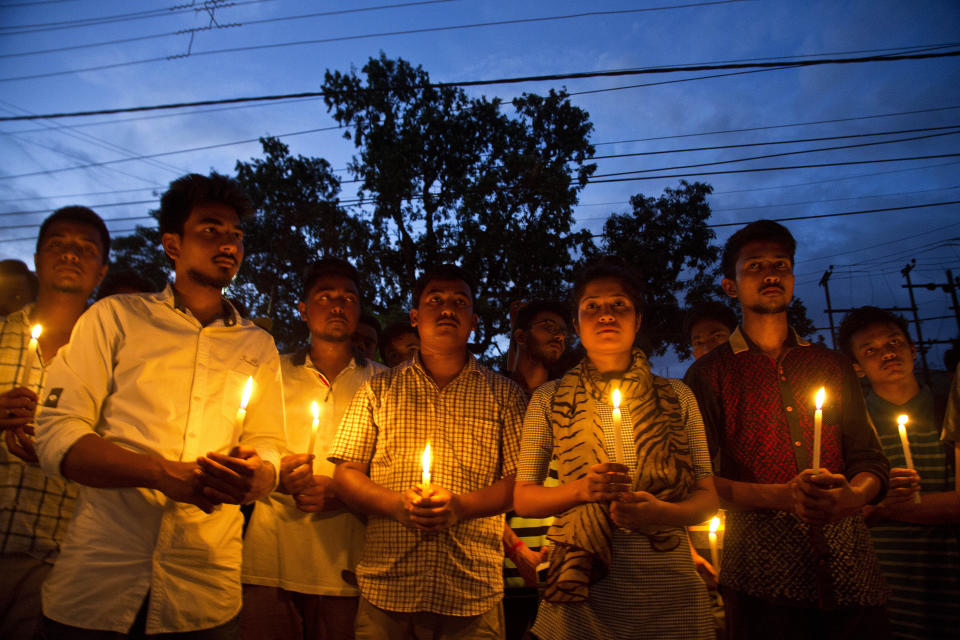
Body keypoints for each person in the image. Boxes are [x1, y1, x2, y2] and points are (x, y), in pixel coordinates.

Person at [33, 173, 285, 637]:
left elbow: (269, 443)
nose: (228, 243)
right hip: (97, 583)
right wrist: (159, 474)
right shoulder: (115, 318)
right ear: (172, 244)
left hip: (204, 588)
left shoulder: (259, 346)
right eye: (210, 230)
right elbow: (57, 435)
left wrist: (259, 475)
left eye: (236, 235)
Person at [684, 220, 890, 640]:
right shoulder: (709, 374)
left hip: (851, 571)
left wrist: (855, 494)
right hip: (760, 579)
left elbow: (869, 459)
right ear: (730, 286)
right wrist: (779, 496)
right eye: (755, 266)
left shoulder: (831, 365)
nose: (771, 273)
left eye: (781, 264)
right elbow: (696, 478)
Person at [514, 257, 718, 640]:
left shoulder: (677, 397)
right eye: (592, 306)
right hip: (583, 587)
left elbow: (707, 499)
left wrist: (660, 511)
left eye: (618, 305)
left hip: (669, 589)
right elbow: (523, 498)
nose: (605, 314)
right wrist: (580, 490)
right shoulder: (549, 399)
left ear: (637, 320)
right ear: (577, 325)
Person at [329, 264, 525, 639]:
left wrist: (462, 507)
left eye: (459, 302)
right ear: (415, 318)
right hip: (388, 585)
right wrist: (394, 505)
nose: (447, 309)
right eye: (435, 300)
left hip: (472, 591)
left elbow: (519, 481)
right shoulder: (377, 390)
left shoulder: (506, 396)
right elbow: (346, 473)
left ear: (474, 322)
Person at [241, 258, 386, 640]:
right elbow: (247, 442)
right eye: (325, 297)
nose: (338, 306)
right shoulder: (271, 371)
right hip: (272, 555)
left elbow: (398, 466)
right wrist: (276, 477)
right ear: (303, 309)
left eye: (349, 298)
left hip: (349, 558)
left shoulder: (386, 382)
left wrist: (347, 490)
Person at [0, 207, 109, 640]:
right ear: (38, 258)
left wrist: (65, 448)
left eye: (85, 249)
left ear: (101, 271)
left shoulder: (114, 359)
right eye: (58, 244)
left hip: (61, 556)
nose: (70, 254)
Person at [838, 306, 960, 638]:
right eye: (870, 350)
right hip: (884, 596)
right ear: (857, 368)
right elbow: (843, 514)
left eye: (894, 342)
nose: (887, 353)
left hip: (948, 589)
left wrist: (883, 508)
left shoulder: (948, 413)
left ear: (913, 349)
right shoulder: (853, 431)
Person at [501, 300, 568, 640]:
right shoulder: (495, 397)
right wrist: (517, 551)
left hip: (558, 569)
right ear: (521, 338)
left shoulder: (568, 402)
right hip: (499, 575)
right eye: (548, 326)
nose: (559, 335)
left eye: (563, 330)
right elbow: (471, 484)